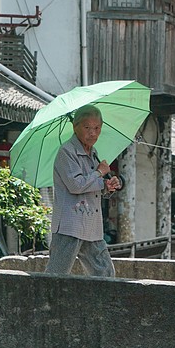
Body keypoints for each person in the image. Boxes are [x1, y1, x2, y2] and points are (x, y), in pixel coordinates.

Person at [46, 105, 121, 278]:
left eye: (97, 128)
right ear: (75, 126)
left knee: (106, 273)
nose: (93, 133)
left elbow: (91, 185)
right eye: (87, 127)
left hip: (92, 226)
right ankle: (44, 304)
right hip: (70, 225)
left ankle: (102, 305)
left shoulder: (93, 153)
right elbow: (76, 185)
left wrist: (106, 186)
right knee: (56, 275)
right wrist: (99, 172)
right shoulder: (66, 152)